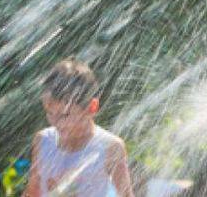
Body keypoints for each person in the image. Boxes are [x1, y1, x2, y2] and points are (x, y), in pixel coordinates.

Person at [25, 59, 134, 197]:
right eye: (49, 113)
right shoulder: (43, 140)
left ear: (92, 107)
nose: (55, 123)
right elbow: (32, 192)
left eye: (64, 115)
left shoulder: (110, 147)